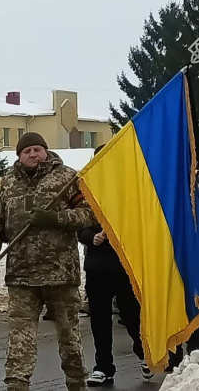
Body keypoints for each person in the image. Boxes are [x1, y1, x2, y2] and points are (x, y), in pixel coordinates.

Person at [0, 132, 93, 391]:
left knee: (68, 335)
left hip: (60, 272)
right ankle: (17, 384)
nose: (33, 154)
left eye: (37, 149)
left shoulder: (67, 177)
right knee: (20, 336)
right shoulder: (8, 183)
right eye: (26, 151)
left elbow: (89, 214)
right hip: (21, 274)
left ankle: (76, 382)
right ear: (19, 156)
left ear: (45, 151)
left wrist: (56, 218)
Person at [77, 144, 152, 386]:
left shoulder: (131, 189)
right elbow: (79, 225)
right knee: (99, 320)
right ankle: (103, 367)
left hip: (125, 268)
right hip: (97, 268)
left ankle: (144, 354)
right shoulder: (87, 191)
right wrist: (92, 237)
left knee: (131, 317)